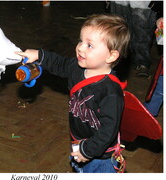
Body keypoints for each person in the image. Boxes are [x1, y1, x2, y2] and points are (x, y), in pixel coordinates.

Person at [16, 14, 130, 173]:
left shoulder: (110, 92)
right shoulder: (77, 68)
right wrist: (39, 55)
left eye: (89, 45)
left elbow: (108, 131)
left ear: (111, 55)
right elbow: (59, 63)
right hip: (78, 142)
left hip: (100, 157)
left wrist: (87, 151)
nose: (80, 47)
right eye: (80, 41)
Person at [109, 1, 157, 78]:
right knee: (118, 28)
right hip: (119, 2)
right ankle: (117, 61)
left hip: (143, 4)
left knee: (142, 31)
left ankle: (142, 63)